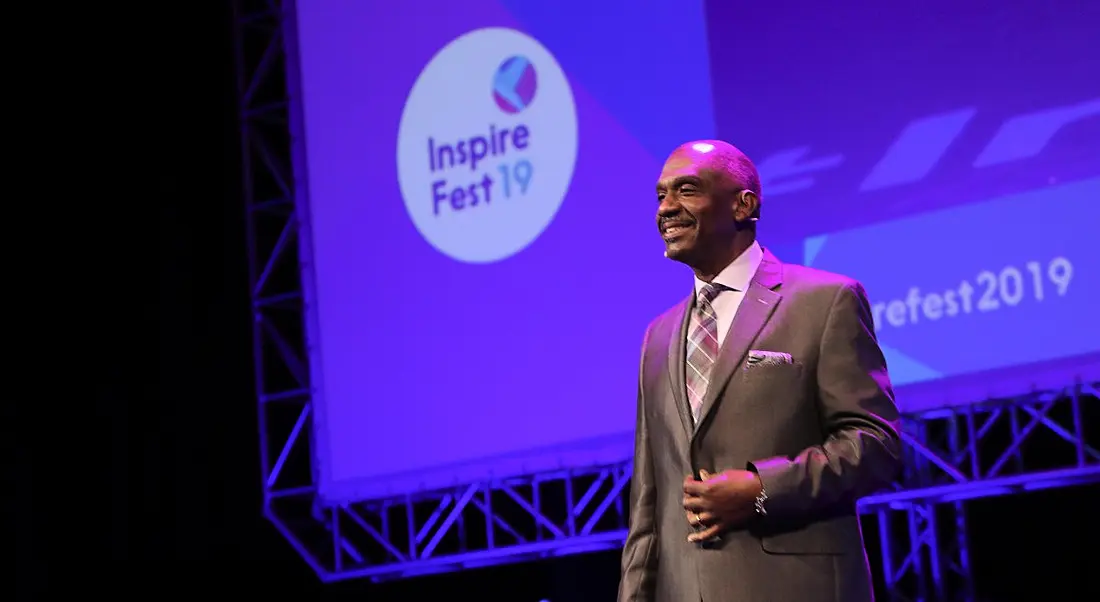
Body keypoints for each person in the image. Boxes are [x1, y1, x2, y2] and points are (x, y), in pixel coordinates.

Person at [618, 140, 903, 602]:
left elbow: (876, 445)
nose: (666, 209)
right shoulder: (659, 336)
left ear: (742, 204)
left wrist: (762, 488)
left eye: (686, 190)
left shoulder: (824, 302)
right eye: (660, 196)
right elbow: (648, 504)